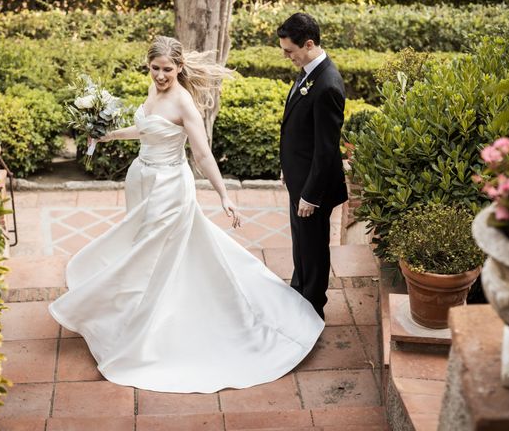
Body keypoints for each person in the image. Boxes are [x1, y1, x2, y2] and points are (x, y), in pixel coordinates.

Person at [48, 36, 324, 394]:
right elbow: (147, 130)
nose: (161, 76)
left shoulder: (184, 103)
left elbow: (203, 155)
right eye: (155, 68)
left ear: (179, 67)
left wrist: (224, 195)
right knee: (147, 249)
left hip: (169, 188)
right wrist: (108, 136)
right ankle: (141, 304)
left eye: (167, 69)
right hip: (142, 181)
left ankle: (150, 327)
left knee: (152, 251)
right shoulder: (152, 90)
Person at [277, 13, 348, 320]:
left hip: (313, 188)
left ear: (308, 44)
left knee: (315, 248)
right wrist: (288, 167)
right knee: (301, 245)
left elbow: (326, 148)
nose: (286, 56)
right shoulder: (308, 71)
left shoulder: (328, 84)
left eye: (289, 50)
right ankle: (299, 291)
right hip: (299, 178)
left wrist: (310, 195)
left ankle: (313, 308)